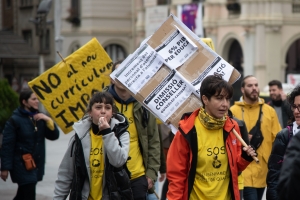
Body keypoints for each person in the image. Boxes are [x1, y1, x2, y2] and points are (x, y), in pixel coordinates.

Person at [167, 74, 256, 200]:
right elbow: (176, 176)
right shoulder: (188, 130)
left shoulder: (232, 127)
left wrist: (245, 157)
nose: (225, 104)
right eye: (219, 98)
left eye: (227, 99)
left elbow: (235, 168)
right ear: (205, 99)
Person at [54, 91, 132, 199]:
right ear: (90, 112)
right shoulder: (79, 136)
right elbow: (66, 173)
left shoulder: (121, 133)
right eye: (98, 107)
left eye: (108, 108)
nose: (103, 111)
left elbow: (118, 161)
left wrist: (107, 132)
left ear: (112, 113)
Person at [107, 61, 160, 200]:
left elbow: (153, 141)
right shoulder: (102, 103)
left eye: (126, 72)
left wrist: (151, 175)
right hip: (111, 177)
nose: (123, 77)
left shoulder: (144, 104)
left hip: (138, 177)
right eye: (119, 73)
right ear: (112, 78)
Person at [0, 89, 60, 200]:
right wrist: (4, 168)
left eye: (37, 99)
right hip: (21, 164)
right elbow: (7, 146)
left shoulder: (39, 118)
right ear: (24, 102)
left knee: (23, 195)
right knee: (29, 193)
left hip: (36, 164)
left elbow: (54, 136)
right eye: (33, 99)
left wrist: (48, 120)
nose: (37, 101)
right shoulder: (14, 120)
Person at [230, 75, 282, 200]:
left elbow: (278, 138)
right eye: (250, 85)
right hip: (244, 169)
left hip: (263, 169)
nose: (254, 88)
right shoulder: (233, 111)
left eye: (256, 85)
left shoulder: (269, 111)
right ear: (242, 89)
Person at [266, 85, 300, 200]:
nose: (296, 111)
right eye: (294, 107)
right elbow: (274, 177)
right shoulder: (285, 135)